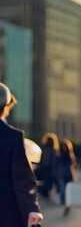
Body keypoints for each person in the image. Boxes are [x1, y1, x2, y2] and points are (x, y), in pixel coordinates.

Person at [0, 82, 43, 226]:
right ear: (6, 107)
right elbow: (23, 180)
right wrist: (32, 209)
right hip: (7, 215)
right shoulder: (12, 137)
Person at [54, 138, 77, 216]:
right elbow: (56, 164)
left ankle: (67, 204)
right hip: (61, 174)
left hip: (68, 174)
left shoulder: (70, 155)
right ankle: (64, 203)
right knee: (62, 189)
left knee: (68, 190)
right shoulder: (58, 154)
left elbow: (72, 164)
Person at [39, 132, 60, 202]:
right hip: (49, 168)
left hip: (45, 168)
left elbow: (41, 159)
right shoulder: (52, 150)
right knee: (48, 183)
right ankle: (46, 195)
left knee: (46, 183)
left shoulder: (44, 148)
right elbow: (54, 161)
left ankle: (46, 195)